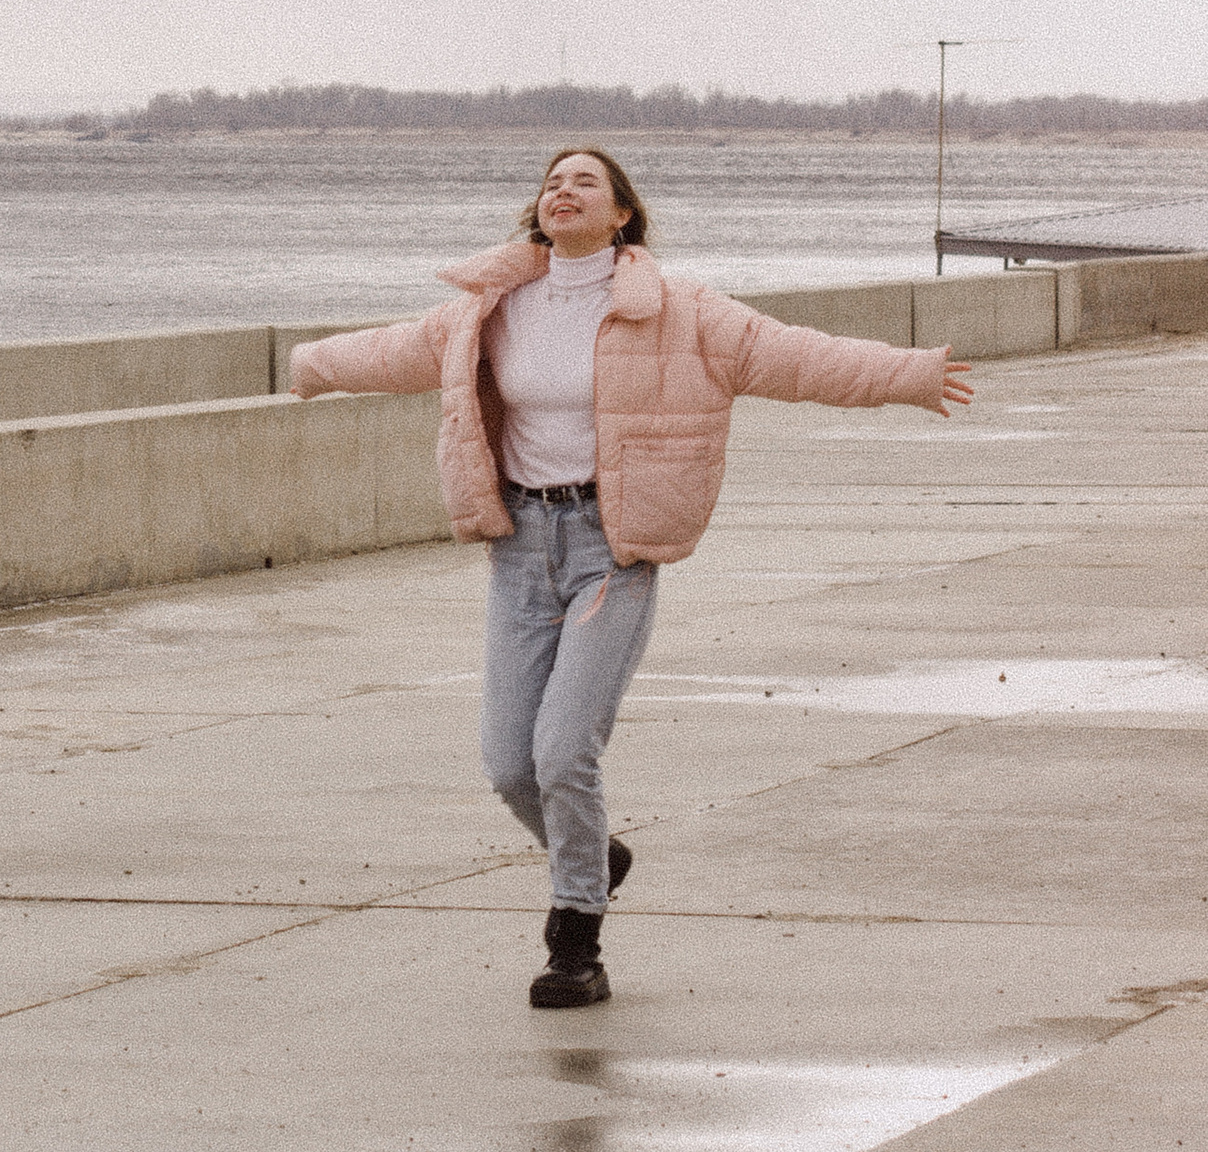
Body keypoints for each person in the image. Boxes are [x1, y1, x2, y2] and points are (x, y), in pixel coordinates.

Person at [287, 142, 972, 1009]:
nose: (562, 191)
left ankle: (575, 940)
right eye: (551, 181)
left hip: (611, 545)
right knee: (510, 766)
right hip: (520, 545)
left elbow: (790, 355)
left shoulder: (678, 311)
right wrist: (313, 365)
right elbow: (397, 351)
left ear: (621, 215)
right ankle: (596, 852)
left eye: (585, 182)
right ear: (537, 210)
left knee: (564, 749)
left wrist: (906, 374)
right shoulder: (490, 308)